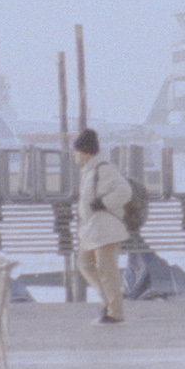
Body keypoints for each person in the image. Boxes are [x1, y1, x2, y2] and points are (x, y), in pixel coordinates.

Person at [69, 129, 134, 327]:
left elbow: (125, 191)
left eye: (77, 151)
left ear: (85, 152)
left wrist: (105, 203)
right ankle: (109, 300)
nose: (75, 156)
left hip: (106, 228)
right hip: (93, 229)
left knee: (107, 270)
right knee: (84, 263)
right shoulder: (89, 170)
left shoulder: (103, 168)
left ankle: (115, 312)